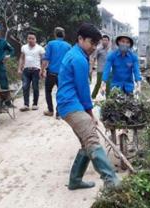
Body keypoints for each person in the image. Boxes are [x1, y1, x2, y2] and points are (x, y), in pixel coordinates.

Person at [56, 22, 119, 190]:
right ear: (80, 39)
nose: (93, 47)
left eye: (96, 44)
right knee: (91, 139)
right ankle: (112, 180)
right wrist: (90, 113)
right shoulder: (78, 59)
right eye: (92, 43)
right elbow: (83, 89)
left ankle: (75, 181)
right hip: (71, 104)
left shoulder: (75, 54)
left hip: (67, 104)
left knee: (85, 143)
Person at [41, 27, 71, 118]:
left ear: (55, 34)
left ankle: (50, 110)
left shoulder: (50, 44)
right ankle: (58, 113)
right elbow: (70, 61)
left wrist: (42, 70)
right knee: (61, 92)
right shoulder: (68, 46)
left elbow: (46, 59)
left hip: (51, 73)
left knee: (48, 91)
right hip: (63, 74)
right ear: (64, 35)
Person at [18, 32, 45, 112]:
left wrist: (43, 70)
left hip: (36, 70)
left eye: (32, 38)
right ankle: (26, 104)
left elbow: (44, 60)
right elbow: (21, 58)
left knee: (35, 87)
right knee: (25, 86)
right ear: (27, 39)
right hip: (26, 70)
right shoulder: (24, 47)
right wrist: (19, 68)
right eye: (29, 38)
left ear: (35, 39)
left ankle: (35, 104)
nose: (30, 40)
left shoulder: (40, 48)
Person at [91, 34, 110, 99]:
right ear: (101, 41)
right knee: (98, 84)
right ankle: (93, 96)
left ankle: (108, 99)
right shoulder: (98, 49)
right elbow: (94, 58)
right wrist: (91, 68)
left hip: (109, 71)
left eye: (106, 40)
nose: (105, 41)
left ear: (108, 41)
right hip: (100, 70)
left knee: (108, 85)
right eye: (103, 40)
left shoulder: (111, 51)